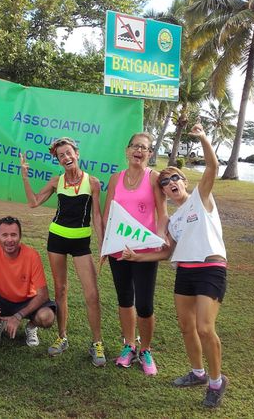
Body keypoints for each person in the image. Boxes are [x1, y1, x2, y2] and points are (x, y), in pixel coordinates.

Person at [120, 123, 228, 408]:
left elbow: (213, 167)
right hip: (185, 273)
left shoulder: (201, 198)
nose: (171, 184)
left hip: (210, 269)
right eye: (165, 184)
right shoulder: (173, 221)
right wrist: (136, 258)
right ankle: (198, 373)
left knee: (205, 327)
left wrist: (203, 137)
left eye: (175, 178)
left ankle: (217, 381)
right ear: (164, 192)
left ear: (184, 180)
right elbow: (167, 254)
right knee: (185, 327)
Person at [20, 137, 106, 367]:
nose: (66, 158)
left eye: (69, 153)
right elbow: (33, 203)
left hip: (81, 243)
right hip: (57, 239)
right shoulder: (57, 181)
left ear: (77, 153)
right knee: (61, 290)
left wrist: (103, 245)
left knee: (92, 294)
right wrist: (25, 177)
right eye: (61, 155)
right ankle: (62, 337)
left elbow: (96, 216)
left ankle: (97, 342)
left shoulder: (93, 182)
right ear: (58, 160)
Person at [102, 132, 168, 376]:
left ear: (150, 154)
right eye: (135, 147)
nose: (139, 151)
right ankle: (129, 345)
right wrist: (105, 246)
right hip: (118, 251)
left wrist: (160, 237)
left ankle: (146, 350)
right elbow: (109, 213)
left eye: (144, 148)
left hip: (144, 252)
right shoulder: (115, 178)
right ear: (127, 150)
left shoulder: (154, 178)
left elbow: (162, 213)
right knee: (124, 298)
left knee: (145, 304)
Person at [0, 216, 56, 346]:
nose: (9, 240)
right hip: (1, 298)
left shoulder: (32, 255)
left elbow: (43, 294)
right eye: (5, 235)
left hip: (27, 299)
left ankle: (31, 327)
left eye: (13, 235)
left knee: (47, 318)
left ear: (20, 236)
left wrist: (18, 315)